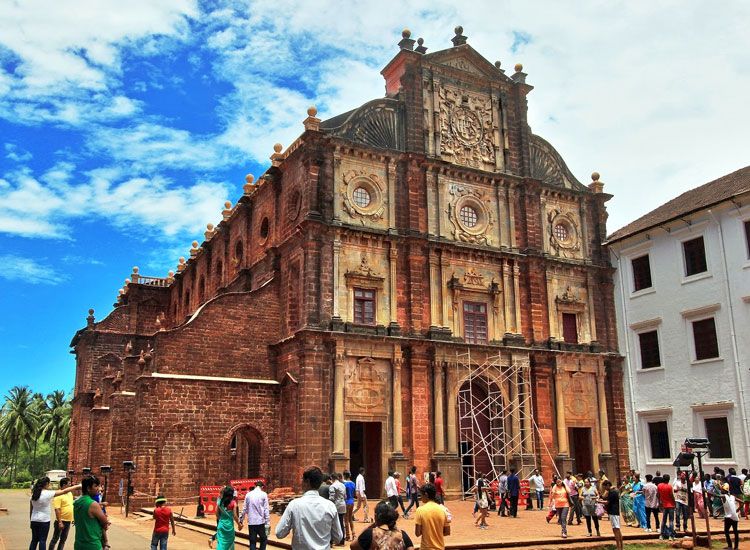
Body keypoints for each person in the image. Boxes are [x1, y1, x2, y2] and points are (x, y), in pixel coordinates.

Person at [276, 466, 343, 549]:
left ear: (307, 481)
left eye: (302, 480)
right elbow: (338, 537)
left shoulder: (294, 505)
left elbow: (279, 533)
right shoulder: (330, 506)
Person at [29, 476, 81, 550]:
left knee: (34, 540)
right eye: (49, 484)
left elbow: (31, 510)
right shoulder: (47, 493)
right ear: (46, 484)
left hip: (34, 520)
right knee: (42, 540)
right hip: (44, 521)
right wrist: (78, 486)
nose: (49, 485)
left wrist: (30, 520)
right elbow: (64, 491)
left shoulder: (34, 495)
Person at [73, 475, 109, 550]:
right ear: (88, 488)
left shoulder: (77, 502)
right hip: (92, 544)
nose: (98, 489)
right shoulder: (92, 504)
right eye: (95, 486)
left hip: (79, 543)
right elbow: (104, 522)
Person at [414, 483, 450, 550]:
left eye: (421, 495)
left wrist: (427, 531)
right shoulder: (443, 510)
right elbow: (447, 532)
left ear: (426, 494)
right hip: (440, 548)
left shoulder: (420, 510)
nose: (420, 497)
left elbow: (417, 533)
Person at [238, 480, 270, 550]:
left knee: (252, 541)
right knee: (263, 539)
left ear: (255, 486)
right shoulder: (264, 494)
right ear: (262, 487)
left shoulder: (248, 495)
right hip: (260, 521)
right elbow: (266, 509)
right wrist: (267, 522)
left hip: (251, 522)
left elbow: (244, 509)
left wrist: (241, 520)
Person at [49, 477, 75, 550]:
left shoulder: (69, 493)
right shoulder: (58, 495)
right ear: (64, 485)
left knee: (63, 540)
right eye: (69, 484)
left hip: (68, 521)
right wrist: (60, 522)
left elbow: (70, 505)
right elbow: (57, 509)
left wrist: (73, 518)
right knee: (55, 539)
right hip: (60, 521)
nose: (70, 485)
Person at [215, 486, 240, 550]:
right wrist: (239, 524)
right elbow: (235, 516)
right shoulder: (233, 503)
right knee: (230, 543)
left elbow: (216, 513)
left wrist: (220, 519)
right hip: (229, 525)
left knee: (221, 542)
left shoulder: (220, 501)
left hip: (221, 524)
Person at [600, 480, 622, 550]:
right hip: (614, 512)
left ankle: (619, 547)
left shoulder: (612, 493)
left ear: (608, 485)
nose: (604, 489)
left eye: (605, 487)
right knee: (617, 529)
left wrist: (598, 501)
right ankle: (620, 546)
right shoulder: (612, 492)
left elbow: (607, 502)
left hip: (613, 512)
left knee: (616, 529)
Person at [720, 482, 739, 549]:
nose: (721, 490)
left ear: (724, 490)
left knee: (726, 531)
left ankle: (730, 546)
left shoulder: (724, 496)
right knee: (735, 532)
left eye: (722, 489)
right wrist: (736, 510)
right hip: (735, 516)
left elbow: (716, 495)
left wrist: (706, 491)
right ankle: (736, 547)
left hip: (728, 517)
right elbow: (742, 503)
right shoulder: (733, 497)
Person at [329, 473, 347, 546]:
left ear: (332, 478)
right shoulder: (342, 485)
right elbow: (345, 496)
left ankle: (333, 540)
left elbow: (331, 498)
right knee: (341, 523)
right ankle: (342, 540)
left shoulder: (332, 486)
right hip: (343, 504)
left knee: (334, 523)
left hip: (336, 506)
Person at [657, 473, 676, 541]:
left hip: (664, 505)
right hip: (670, 505)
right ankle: (671, 536)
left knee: (663, 520)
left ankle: (661, 535)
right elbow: (671, 496)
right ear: (668, 480)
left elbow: (658, 495)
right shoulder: (669, 487)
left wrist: (659, 503)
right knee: (671, 521)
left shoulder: (659, 486)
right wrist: (674, 503)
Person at [342, 471, 356, 541]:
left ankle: (348, 536)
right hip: (352, 501)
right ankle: (354, 534)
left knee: (346, 519)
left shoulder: (344, 484)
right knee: (350, 519)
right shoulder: (353, 483)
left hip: (346, 502)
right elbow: (354, 493)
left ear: (344, 475)